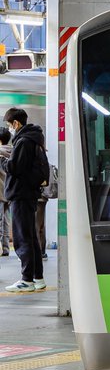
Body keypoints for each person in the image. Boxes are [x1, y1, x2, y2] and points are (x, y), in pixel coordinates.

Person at [0, 108, 45, 292]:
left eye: (10, 125)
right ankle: (37, 277)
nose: (10, 128)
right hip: (28, 194)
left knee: (22, 237)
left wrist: (1, 160)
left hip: (21, 194)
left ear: (16, 123)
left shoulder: (24, 141)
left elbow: (15, 168)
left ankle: (27, 279)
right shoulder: (33, 138)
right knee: (31, 236)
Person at [0, 129, 10, 257]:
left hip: (0, 191)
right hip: (9, 191)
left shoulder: (0, 153)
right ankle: (6, 248)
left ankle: (1, 249)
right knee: (6, 220)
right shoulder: (13, 151)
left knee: (0, 221)